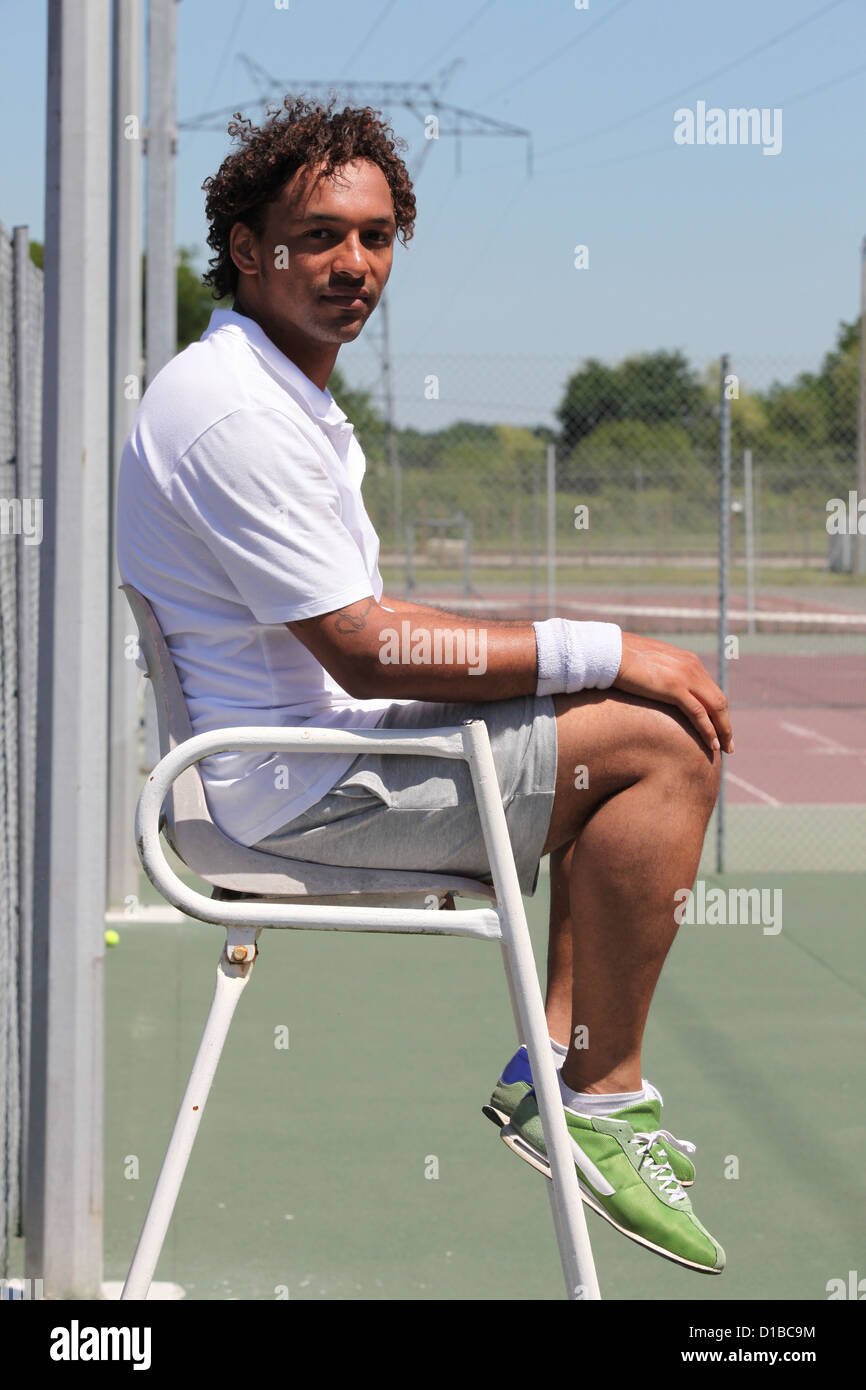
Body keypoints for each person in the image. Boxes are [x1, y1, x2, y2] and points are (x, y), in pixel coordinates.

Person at [116, 96, 733, 1277]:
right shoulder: (231, 408)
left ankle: (551, 1070)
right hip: (304, 791)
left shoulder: (269, 386)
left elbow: (361, 650)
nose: (354, 264)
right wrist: (603, 648)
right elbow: (364, 645)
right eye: (319, 235)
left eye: (379, 234)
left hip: (330, 754)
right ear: (249, 248)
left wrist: (583, 669)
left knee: (630, 721)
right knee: (660, 742)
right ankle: (594, 1102)